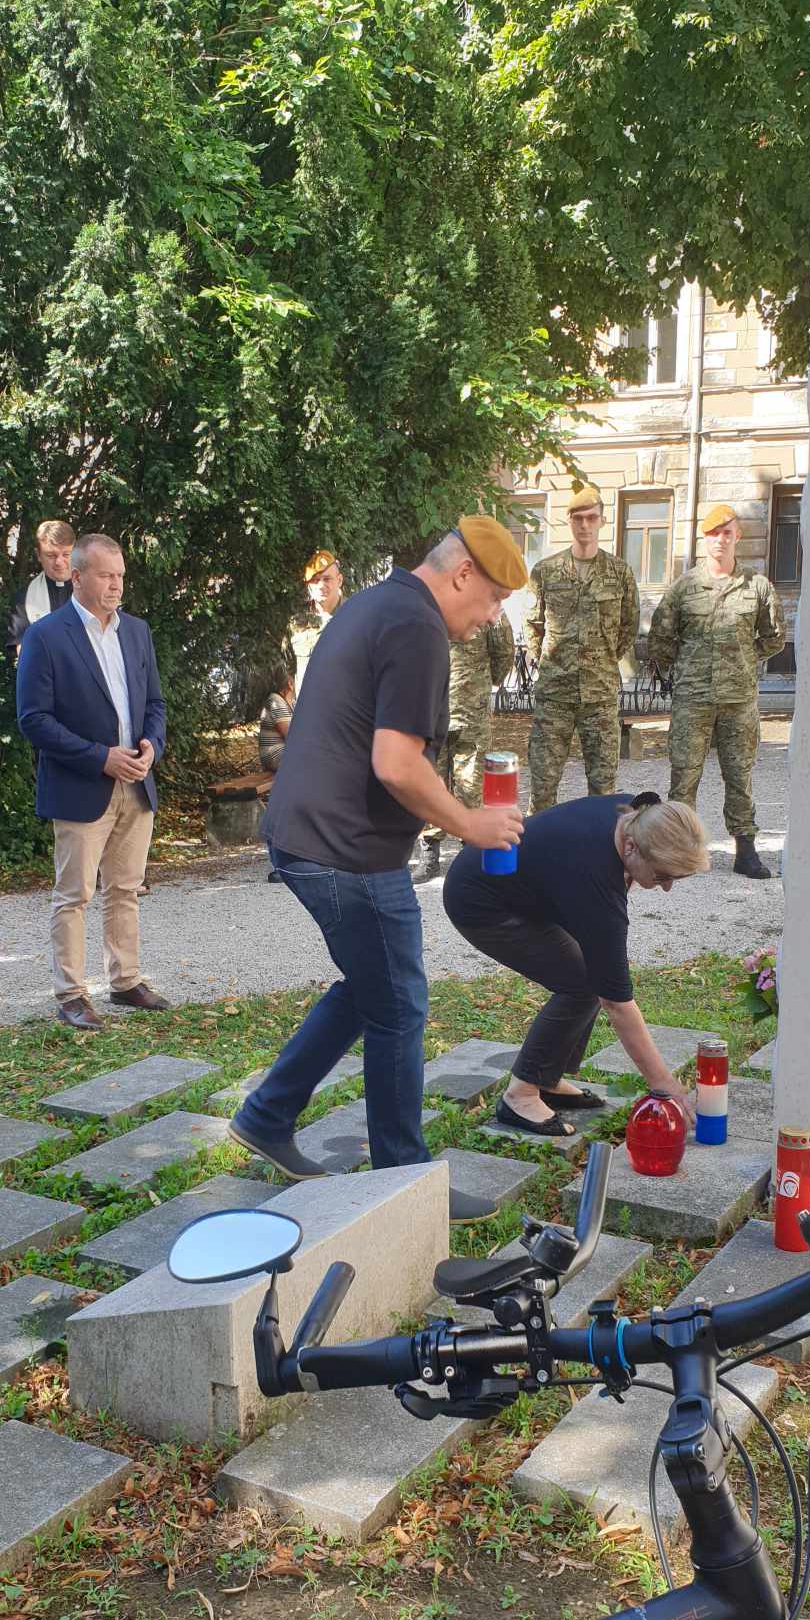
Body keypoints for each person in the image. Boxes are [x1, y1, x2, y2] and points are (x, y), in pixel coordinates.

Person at [230, 517, 526, 1222]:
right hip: (347, 849)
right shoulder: (418, 627)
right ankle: (403, 1182)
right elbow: (396, 764)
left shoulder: (376, 600)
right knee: (398, 1005)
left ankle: (268, 1116)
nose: (487, 621)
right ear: (461, 575)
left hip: (311, 836)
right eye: (489, 601)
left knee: (372, 988)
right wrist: (471, 825)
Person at [443, 793, 707, 1135]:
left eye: (677, 878)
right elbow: (616, 1001)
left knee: (588, 977)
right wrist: (664, 1085)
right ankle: (520, 1095)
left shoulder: (640, 816)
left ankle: (546, 1079)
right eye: (661, 875)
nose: (668, 887)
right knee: (583, 985)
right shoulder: (595, 879)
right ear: (630, 847)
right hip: (480, 901)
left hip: (525, 888)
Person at [16, 532, 168, 1031]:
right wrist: (100, 758)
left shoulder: (137, 632)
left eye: (121, 575)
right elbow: (34, 720)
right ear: (77, 576)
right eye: (106, 575)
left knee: (126, 888)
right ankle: (72, 994)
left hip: (136, 782)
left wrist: (151, 747)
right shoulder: (46, 636)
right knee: (74, 894)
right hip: (83, 785)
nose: (116, 585)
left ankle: (125, 982)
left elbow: (155, 705)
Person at [647, 503, 786, 880]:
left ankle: (745, 850)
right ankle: (679, 849)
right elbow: (660, 639)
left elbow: (774, 637)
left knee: (740, 775)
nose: (720, 540)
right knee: (684, 775)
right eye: (713, 534)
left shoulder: (757, 587)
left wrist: (743, 658)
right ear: (703, 539)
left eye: (727, 533)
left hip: (739, 700)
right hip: (693, 698)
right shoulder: (685, 588)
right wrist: (689, 664)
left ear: (738, 536)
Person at [526, 485, 639, 812]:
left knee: (603, 789)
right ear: (569, 522)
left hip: (600, 696)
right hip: (554, 696)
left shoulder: (619, 573)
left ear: (602, 521)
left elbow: (629, 626)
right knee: (543, 784)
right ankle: (539, 852)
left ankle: (598, 855)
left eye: (591, 518)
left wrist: (601, 660)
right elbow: (533, 625)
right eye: (578, 518)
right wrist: (551, 661)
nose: (584, 525)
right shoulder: (546, 571)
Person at [413, 611, 515, 885]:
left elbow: (504, 652)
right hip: (431, 713)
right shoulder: (422, 606)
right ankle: (429, 850)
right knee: (431, 784)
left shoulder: (484, 607)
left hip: (471, 713)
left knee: (471, 787)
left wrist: (480, 684)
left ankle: (469, 850)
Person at [4, 520, 76, 669]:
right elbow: (22, 649)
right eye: (51, 555)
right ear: (38, 555)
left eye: (66, 554)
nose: (59, 562)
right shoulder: (24, 599)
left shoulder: (93, 590)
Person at [288, 549, 344, 694]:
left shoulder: (356, 616)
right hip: (307, 711)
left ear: (339, 580)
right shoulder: (296, 623)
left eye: (327, 579)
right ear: (308, 585)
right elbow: (288, 668)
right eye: (315, 580)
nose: (321, 585)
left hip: (345, 712)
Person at [258, 669, 295, 773]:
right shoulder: (276, 700)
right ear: (290, 684)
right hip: (273, 755)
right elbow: (291, 735)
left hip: (283, 752)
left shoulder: (291, 703)